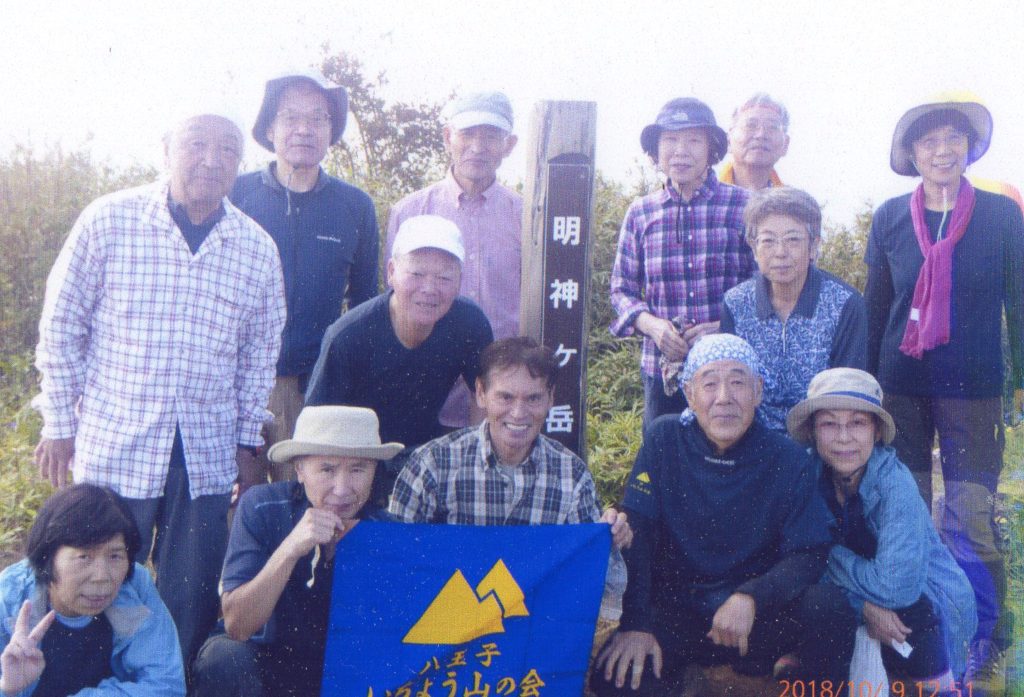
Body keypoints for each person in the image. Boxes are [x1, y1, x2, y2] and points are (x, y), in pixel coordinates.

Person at [32, 109, 287, 668]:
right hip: (116, 445)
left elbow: (258, 355)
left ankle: (170, 681)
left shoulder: (256, 248)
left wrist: (248, 444)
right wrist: (59, 424)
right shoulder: (110, 220)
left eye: (227, 150)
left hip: (204, 456)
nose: (211, 161)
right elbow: (62, 325)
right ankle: (84, 677)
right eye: (196, 145)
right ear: (166, 149)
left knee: (188, 594)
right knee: (95, 579)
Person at [591, 334, 854, 696]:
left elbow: (808, 553)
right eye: (709, 383)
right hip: (679, 612)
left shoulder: (788, 459)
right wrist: (635, 623)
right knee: (613, 677)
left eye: (738, 382)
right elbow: (640, 530)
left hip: (752, 618)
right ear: (689, 393)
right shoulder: (664, 439)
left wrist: (752, 596)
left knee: (829, 608)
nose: (724, 397)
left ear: (758, 391)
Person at [864, 95, 1023, 693]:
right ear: (912, 155)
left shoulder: (1001, 215)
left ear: (969, 148)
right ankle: (922, 641)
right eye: (929, 142)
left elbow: (1020, 302)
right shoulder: (888, 217)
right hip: (901, 390)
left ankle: (988, 641)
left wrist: (1022, 382)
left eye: (954, 138)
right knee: (905, 514)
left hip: (973, 389)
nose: (942, 151)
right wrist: (864, 389)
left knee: (970, 517)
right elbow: (877, 307)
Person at [787, 368, 976, 691]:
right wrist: (863, 607)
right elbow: (788, 558)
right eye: (829, 424)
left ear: (876, 432)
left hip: (924, 608)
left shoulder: (896, 484)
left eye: (857, 423)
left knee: (908, 611)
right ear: (813, 431)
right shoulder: (805, 475)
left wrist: (824, 554)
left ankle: (941, 687)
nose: (843, 437)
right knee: (815, 603)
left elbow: (895, 589)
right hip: (863, 602)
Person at [191, 406, 401, 697]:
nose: (342, 489)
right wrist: (291, 548)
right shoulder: (262, 507)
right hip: (264, 664)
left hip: (340, 673)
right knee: (224, 658)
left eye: (358, 469)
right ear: (299, 469)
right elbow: (238, 626)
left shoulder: (387, 531)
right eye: (327, 469)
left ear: (374, 471)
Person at [232, 71, 380, 482]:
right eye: (291, 117)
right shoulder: (236, 195)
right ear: (269, 128)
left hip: (315, 388)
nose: (304, 129)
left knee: (306, 501)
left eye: (318, 119)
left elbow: (366, 305)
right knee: (237, 504)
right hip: (235, 383)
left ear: (331, 131)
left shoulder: (355, 206)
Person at [305, 214, 493, 500]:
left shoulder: (469, 322)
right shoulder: (349, 335)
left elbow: (485, 395)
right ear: (391, 272)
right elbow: (316, 429)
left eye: (444, 278)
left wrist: (477, 464)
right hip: (357, 463)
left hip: (427, 458)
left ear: (459, 281)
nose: (429, 289)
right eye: (416, 274)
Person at [390, 336, 631, 541]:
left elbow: (587, 564)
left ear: (550, 398)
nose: (518, 413)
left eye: (533, 398)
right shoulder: (432, 463)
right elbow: (395, 553)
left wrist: (611, 536)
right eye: (505, 397)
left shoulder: (572, 475)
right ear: (481, 393)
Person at [610, 98, 754, 427]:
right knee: (664, 453)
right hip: (661, 372)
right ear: (656, 151)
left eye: (693, 140)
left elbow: (764, 289)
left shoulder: (744, 206)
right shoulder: (641, 212)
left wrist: (723, 325)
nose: (680, 151)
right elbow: (621, 290)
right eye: (670, 140)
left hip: (728, 373)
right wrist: (653, 326)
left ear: (712, 149)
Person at [387, 91, 521, 431]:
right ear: (448, 137)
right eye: (467, 134)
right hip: (425, 392)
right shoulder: (410, 211)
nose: (478, 146)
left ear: (509, 145)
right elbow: (393, 301)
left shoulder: (527, 217)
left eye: (490, 136)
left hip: (503, 398)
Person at [0, 484, 184, 696]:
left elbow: (166, 684)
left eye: (115, 556)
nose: (101, 576)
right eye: (84, 557)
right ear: (47, 556)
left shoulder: (135, 585)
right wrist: (8, 689)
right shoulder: (8, 596)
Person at [721, 186, 867, 432]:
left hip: (820, 439)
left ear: (813, 246)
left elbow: (847, 395)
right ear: (754, 248)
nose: (780, 252)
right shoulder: (736, 303)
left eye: (793, 240)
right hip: (752, 439)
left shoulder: (845, 303)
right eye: (768, 241)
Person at [718, 93, 790, 190]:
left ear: (785, 144)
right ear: (729, 140)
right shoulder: (701, 196)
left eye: (772, 127)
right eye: (751, 125)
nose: (761, 135)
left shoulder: (795, 199)